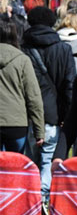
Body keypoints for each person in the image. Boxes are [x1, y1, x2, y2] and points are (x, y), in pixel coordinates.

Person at [21, 6, 75, 206]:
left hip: (26, 113)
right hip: (53, 114)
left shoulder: (23, 48)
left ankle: (30, 198)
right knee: (47, 160)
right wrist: (66, 115)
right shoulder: (62, 49)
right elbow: (68, 85)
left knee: (30, 159)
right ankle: (43, 199)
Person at [0, 21, 44, 154]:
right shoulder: (22, 60)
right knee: (15, 167)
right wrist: (39, 131)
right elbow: (33, 97)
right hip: (16, 123)